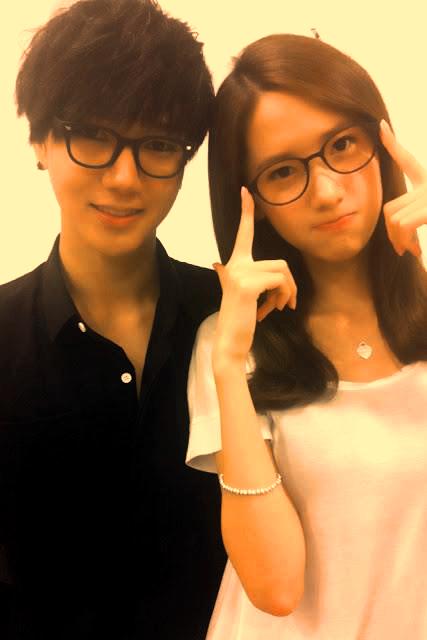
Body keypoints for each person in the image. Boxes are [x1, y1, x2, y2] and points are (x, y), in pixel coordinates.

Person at [186, 33, 427, 639]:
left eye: (342, 145)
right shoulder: (232, 347)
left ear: (381, 141)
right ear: (253, 201)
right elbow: (275, 588)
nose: (326, 191)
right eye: (284, 172)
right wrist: (229, 362)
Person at [0, 1, 227, 638]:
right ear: (41, 141)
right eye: (94, 136)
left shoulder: (235, 317)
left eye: (157, 145)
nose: (125, 178)